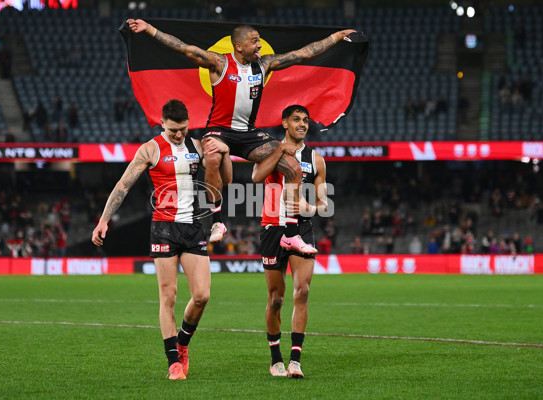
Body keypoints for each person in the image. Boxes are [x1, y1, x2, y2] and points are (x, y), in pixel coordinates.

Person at [126, 19, 355, 253]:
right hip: (219, 130)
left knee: (293, 167)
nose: (259, 45)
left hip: (249, 134)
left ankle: (291, 234)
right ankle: (217, 221)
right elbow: (183, 47)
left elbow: (302, 55)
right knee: (213, 156)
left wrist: (336, 38)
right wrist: (150, 30)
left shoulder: (264, 64)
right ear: (239, 45)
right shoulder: (219, 62)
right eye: (254, 41)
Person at [92, 99, 231, 380]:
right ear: (162, 123)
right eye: (173, 130)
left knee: (202, 295)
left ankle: (182, 344)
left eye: (183, 129)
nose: (179, 134)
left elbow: (224, 180)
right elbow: (124, 184)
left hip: (193, 227)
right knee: (168, 296)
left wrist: (225, 154)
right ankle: (173, 363)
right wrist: (104, 219)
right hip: (164, 228)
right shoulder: (151, 149)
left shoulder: (198, 146)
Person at [251, 105, 328, 379]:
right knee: (276, 299)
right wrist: (280, 153)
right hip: (272, 228)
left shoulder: (316, 159)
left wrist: (310, 206)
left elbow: (323, 203)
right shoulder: (271, 149)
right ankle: (276, 360)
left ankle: (295, 360)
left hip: (302, 229)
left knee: (303, 292)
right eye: (296, 119)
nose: (302, 124)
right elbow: (257, 176)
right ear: (284, 122)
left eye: (306, 120)